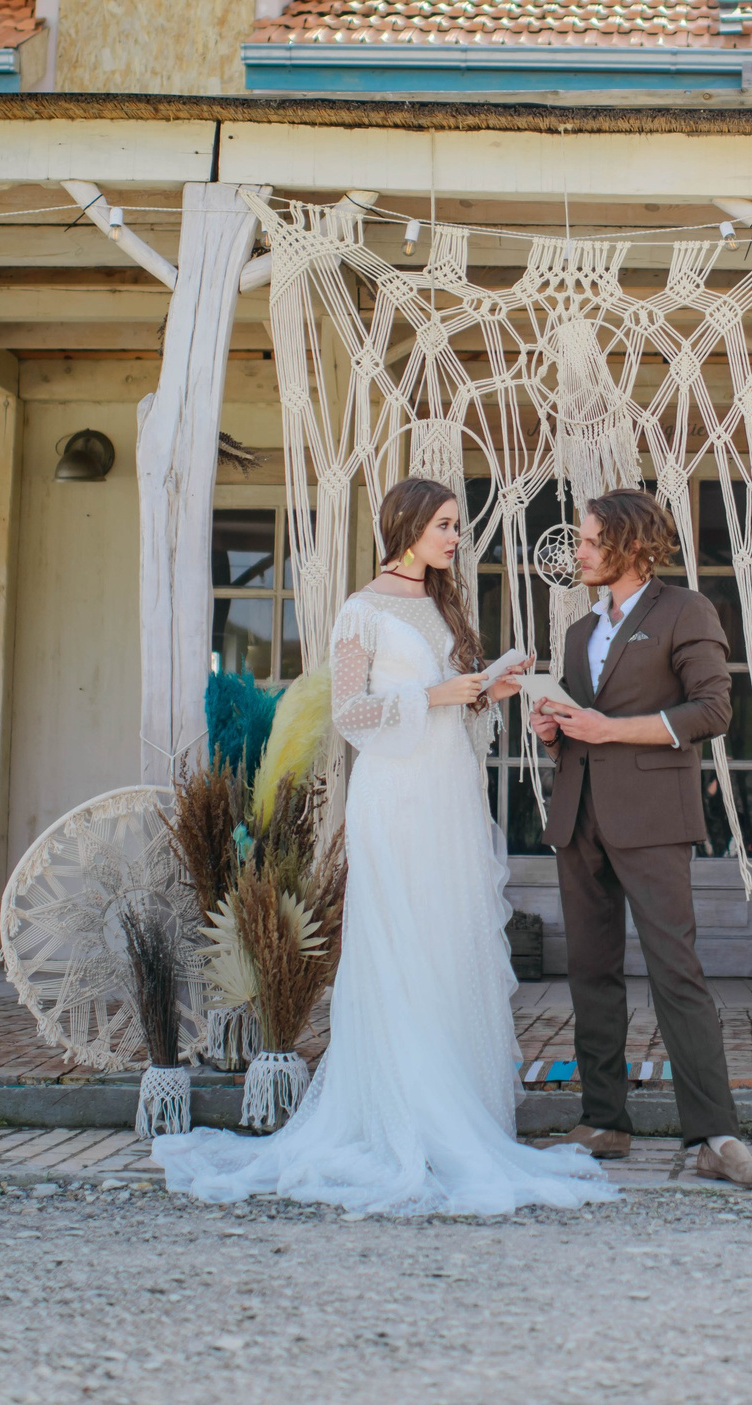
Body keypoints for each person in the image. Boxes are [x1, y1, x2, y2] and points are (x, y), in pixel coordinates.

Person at [154, 477, 617, 1217]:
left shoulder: (438, 603)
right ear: (405, 526)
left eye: (456, 525)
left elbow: (444, 697)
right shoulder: (361, 610)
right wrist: (440, 693)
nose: (454, 536)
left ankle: (452, 1109)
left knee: (445, 945)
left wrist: (487, 688)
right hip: (395, 798)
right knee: (398, 946)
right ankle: (402, 1116)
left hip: (447, 795)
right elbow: (352, 711)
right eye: (444, 523)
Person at [528, 488, 752, 1191]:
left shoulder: (686, 611)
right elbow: (588, 721)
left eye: (587, 541)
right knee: (590, 971)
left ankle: (715, 1136)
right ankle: (604, 1118)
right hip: (580, 816)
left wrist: (610, 729)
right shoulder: (580, 633)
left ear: (630, 546)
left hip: (653, 820)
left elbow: (712, 709)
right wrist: (556, 728)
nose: (576, 550)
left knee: (677, 973)